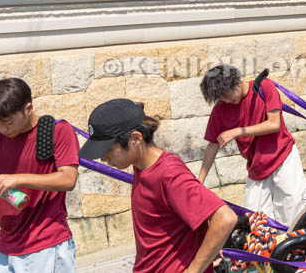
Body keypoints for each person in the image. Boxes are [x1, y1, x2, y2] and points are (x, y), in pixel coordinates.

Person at [80, 99, 236, 273]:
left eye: (108, 150)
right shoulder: (142, 166)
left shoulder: (169, 175)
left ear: (135, 139)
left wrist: (194, 270)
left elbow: (225, 218)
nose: (103, 159)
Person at [0, 78, 79, 273]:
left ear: (28, 109)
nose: (2, 129)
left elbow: (68, 179)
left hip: (45, 242)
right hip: (5, 242)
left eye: (7, 122)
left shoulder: (58, 131)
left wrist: (17, 178)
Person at [197, 64, 306, 225]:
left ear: (236, 83)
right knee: (256, 221)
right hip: (256, 167)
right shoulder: (221, 109)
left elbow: (274, 124)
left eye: (226, 96)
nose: (226, 101)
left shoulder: (265, 87)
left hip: (283, 159)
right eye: (221, 98)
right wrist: (199, 181)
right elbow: (213, 145)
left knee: (293, 214)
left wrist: (237, 131)